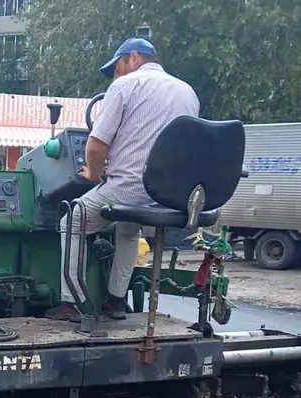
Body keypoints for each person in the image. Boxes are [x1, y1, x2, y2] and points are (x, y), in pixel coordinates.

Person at [47, 37, 200, 322]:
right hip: (168, 196)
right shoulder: (187, 92)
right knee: (130, 229)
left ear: (132, 57)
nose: (115, 75)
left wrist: (93, 175)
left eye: (116, 68)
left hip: (128, 190)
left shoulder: (125, 86)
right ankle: (115, 300)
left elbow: (95, 146)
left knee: (73, 219)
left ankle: (72, 303)